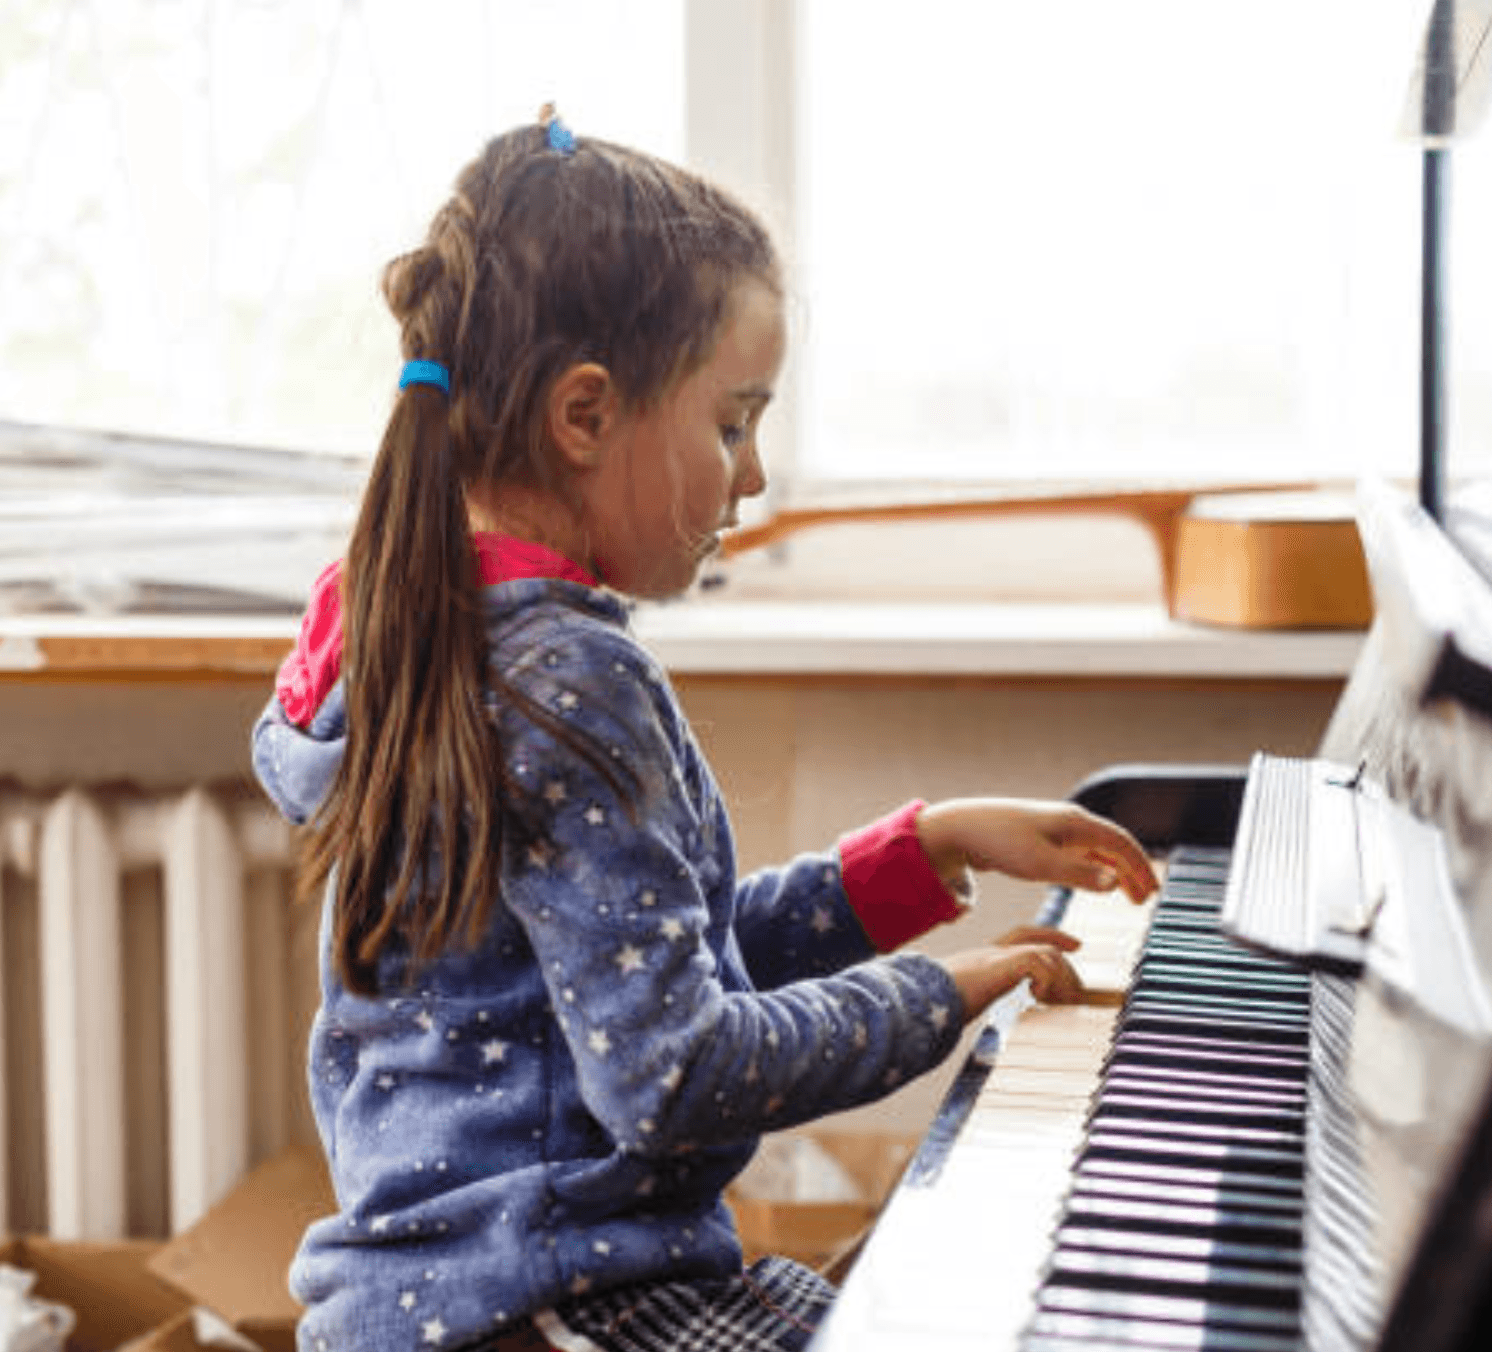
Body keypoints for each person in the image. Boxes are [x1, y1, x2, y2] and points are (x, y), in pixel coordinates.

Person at [249, 108, 1156, 1352]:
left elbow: (645, 966)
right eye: (732, 423)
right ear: (585, 416)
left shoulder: (433, 625)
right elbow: (673, 1074)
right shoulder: (569, 679)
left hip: (476, 1290)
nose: (755, 475)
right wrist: (938, 997)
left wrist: (925, 850)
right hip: (550, 1298)